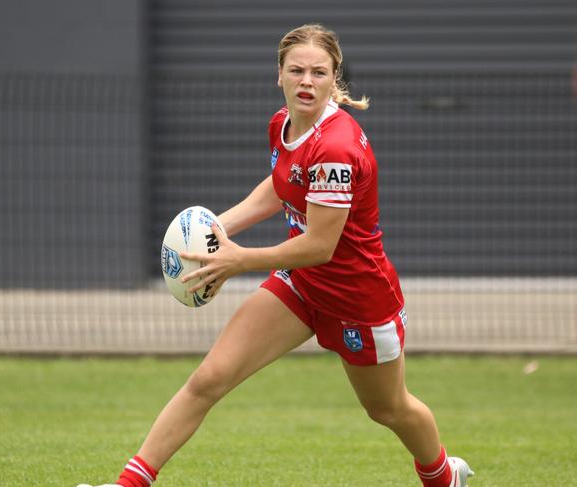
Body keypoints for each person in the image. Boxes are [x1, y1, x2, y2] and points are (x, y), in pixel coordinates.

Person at [78, 23, 473, 487]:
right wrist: (218, 229)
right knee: (210, 379)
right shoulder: (281, 124)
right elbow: (279, 187)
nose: (307, 81)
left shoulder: (336, 148)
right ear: (279, 75)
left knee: (388, 408)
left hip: (357, 300)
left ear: (333, 79)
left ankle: (442, 475)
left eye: (318, 73)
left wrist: (237, 259)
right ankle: (128, 484)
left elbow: (319, 246)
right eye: (297, 70)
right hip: (301, 285)